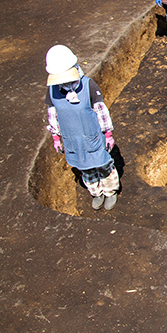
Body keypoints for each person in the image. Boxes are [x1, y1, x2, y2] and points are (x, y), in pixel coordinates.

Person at [44, 45, 120, 211]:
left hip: (92, 136)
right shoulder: (52, 91)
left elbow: (101, 112)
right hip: (73, 140)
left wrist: (108, 134)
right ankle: (96, 192)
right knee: (85, 168)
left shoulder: (88, 86)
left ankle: (110, 191)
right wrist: (56, 137)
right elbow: (53, 115)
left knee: (102, 165)